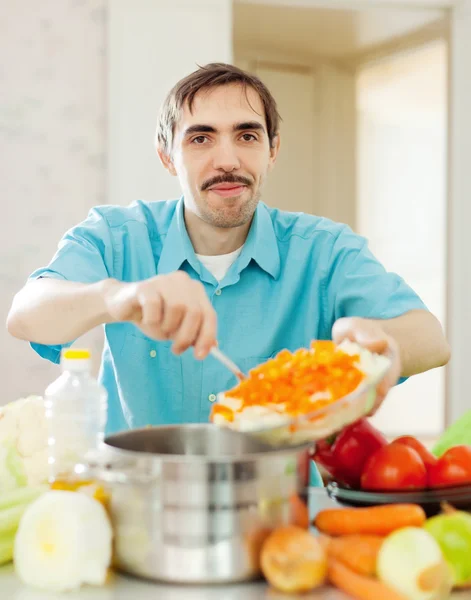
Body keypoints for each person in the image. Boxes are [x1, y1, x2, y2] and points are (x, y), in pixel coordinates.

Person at [7, 63, 450, 451]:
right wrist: (117, 297)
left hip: (280, 509)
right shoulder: (116, 237)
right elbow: (25, 314)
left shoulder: (325, 249)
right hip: (141, 504)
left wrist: (383, 348)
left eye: (247, 135)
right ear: (167, 156)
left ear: (272, 150)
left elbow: (431, 339)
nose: (228, 159)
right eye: (201, 138)